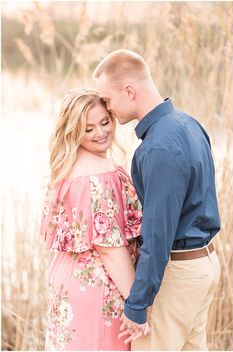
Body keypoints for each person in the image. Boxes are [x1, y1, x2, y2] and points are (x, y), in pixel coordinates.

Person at [93, 49, 221, 351]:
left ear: (129, 90)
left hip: (178, 274)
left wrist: (137, 304)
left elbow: (158, 235)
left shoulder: (157, 148)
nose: (109, 110)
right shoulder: (188, 123)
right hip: (204, 263)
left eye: (108, 101)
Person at [40, 88, 150, 351]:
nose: (101, 133)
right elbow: (110, 249)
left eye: (104, 122)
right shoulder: (99, 173)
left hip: (67, 280)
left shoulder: (66, 169)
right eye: (88, 129)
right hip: (100, 287)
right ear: (73, 131)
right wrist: (138, 303)